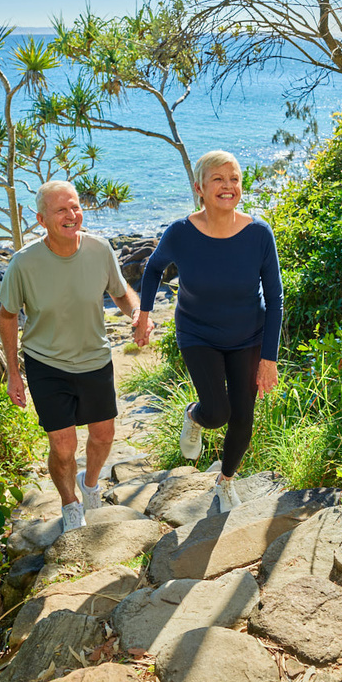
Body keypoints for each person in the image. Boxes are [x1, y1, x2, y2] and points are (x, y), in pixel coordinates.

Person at [132, 150, 282, 512]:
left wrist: (269, 359)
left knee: (243, 419)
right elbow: (153, 270)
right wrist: (144, 314)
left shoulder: (258, 233)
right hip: (198, 333)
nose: (227, 186)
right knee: (217, 413)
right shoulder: (182, 232)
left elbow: (275, 297)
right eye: (218, 179)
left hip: (248, 335)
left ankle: (225, 482)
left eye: (234, 179)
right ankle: (194, 416)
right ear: (200, 187)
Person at [0, 180, 140, 534]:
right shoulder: (23, 263)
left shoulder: (99, 249)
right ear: (41, 219)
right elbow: (7, 315)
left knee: (104, 436)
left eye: (75, 206)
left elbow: (121, 294)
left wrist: (137, 314)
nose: (71, 214)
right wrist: (14, 374)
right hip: (46, 363)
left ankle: (90, 484)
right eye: (61, 209)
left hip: (95, 358)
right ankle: (69, 504)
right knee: (63, 445)